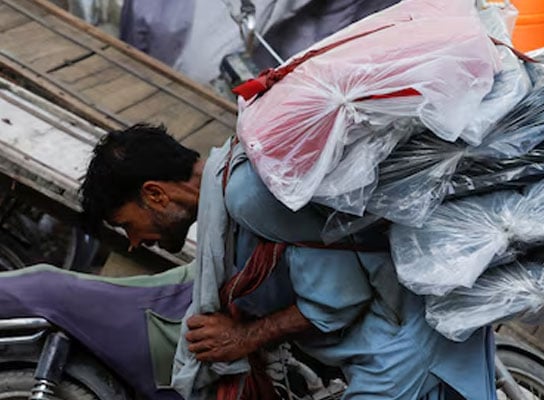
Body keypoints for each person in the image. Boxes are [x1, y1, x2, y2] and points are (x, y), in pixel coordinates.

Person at [80, 123, 496, 400]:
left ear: (155, 194)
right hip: (393, 339)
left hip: (405, 345)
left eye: (125, 225)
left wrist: (244, 338)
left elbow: (338, 298)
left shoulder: (245, 195)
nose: (133, 243)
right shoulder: (233, 189)